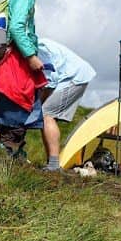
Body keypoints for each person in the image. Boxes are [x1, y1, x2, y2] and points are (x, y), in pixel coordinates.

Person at [0, 0, 60, 158]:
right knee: (18, 107)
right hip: (18, 63)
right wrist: (31, 56)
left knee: (9, 110)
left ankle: (1, 152)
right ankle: (5, 157)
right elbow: (18, 27)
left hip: (11, 63)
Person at [37, 38, 96, 171]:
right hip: (72, 75)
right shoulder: (33, 43)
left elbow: (51, 79)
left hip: (74, 77)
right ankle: (51, 163)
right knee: (44, 117)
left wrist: (40, 102)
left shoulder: (36, 49)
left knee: (46, 115)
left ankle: (53, 165)